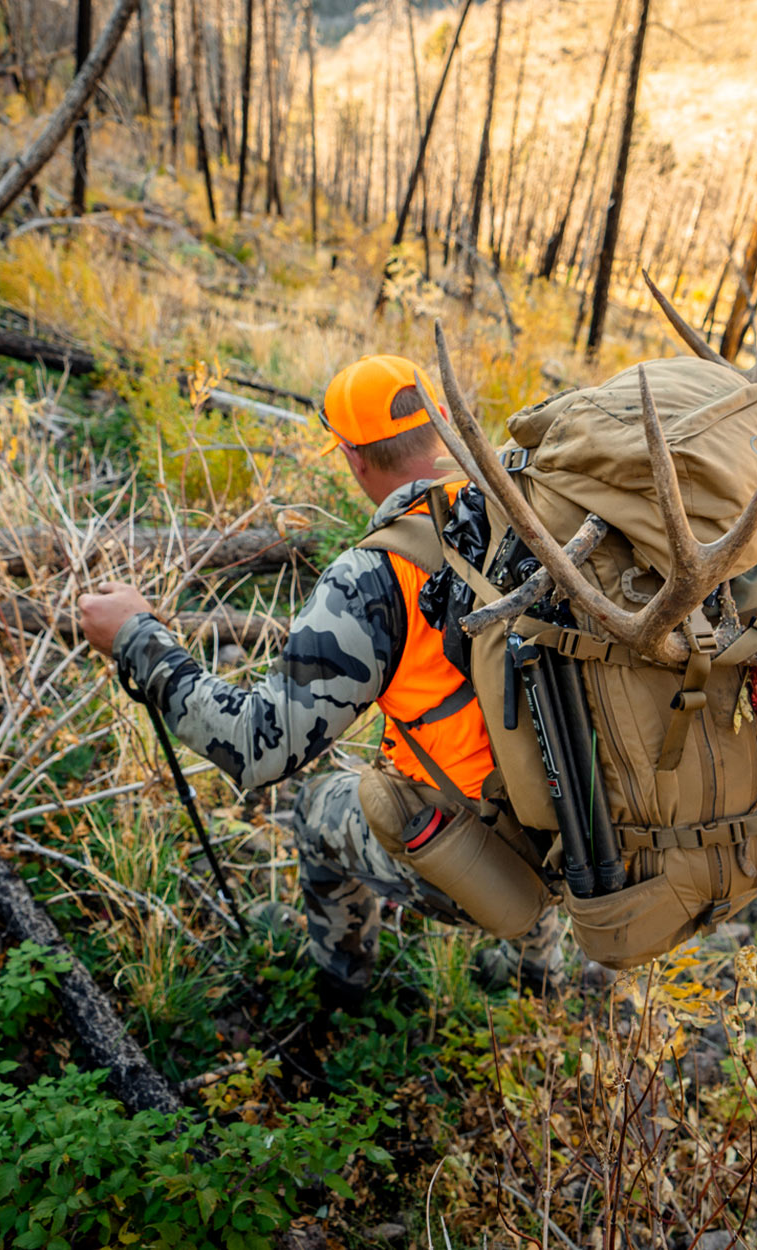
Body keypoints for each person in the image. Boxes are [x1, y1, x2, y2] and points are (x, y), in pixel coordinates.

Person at [78, 355, 566, 1008]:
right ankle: (539, 983)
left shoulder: (377, 574)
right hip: (589, 829)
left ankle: (342, 990)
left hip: (483, 852)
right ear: (445, 420)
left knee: (315, 808)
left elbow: (259, 748)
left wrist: (139, 638)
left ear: (352, 459)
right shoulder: (540, 510)